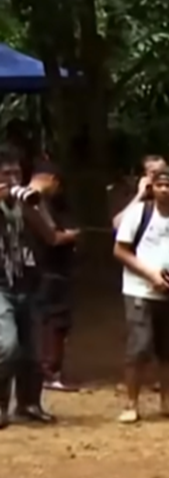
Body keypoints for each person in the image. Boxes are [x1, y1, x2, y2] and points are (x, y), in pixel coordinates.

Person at [113, 165, 169, 423]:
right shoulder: (139, 214)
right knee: (139, 347)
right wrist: (150, 274)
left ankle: (168, 401)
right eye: (159, 185)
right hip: (140, 290)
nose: (164, 190)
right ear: (152, 188)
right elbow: (120, 250)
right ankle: (131, 403)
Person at [0, 148, 62, 426]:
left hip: (27, 280)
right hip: (1, 284)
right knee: (7, 345)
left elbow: (50, 235)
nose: (13, 179)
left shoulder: (24, 202)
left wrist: (35, 205)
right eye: (6, 174)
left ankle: (28, 404)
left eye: (16, 173)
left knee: (32, 349)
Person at [28, 161, 80, 392]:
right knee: (53, 321)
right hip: (47, 271)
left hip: (48, 271)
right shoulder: (34, 202)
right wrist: (71, 236)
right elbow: (53, 237)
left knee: (51, 320)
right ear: (52, 180)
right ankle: (48, 371)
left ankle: (46, 370)